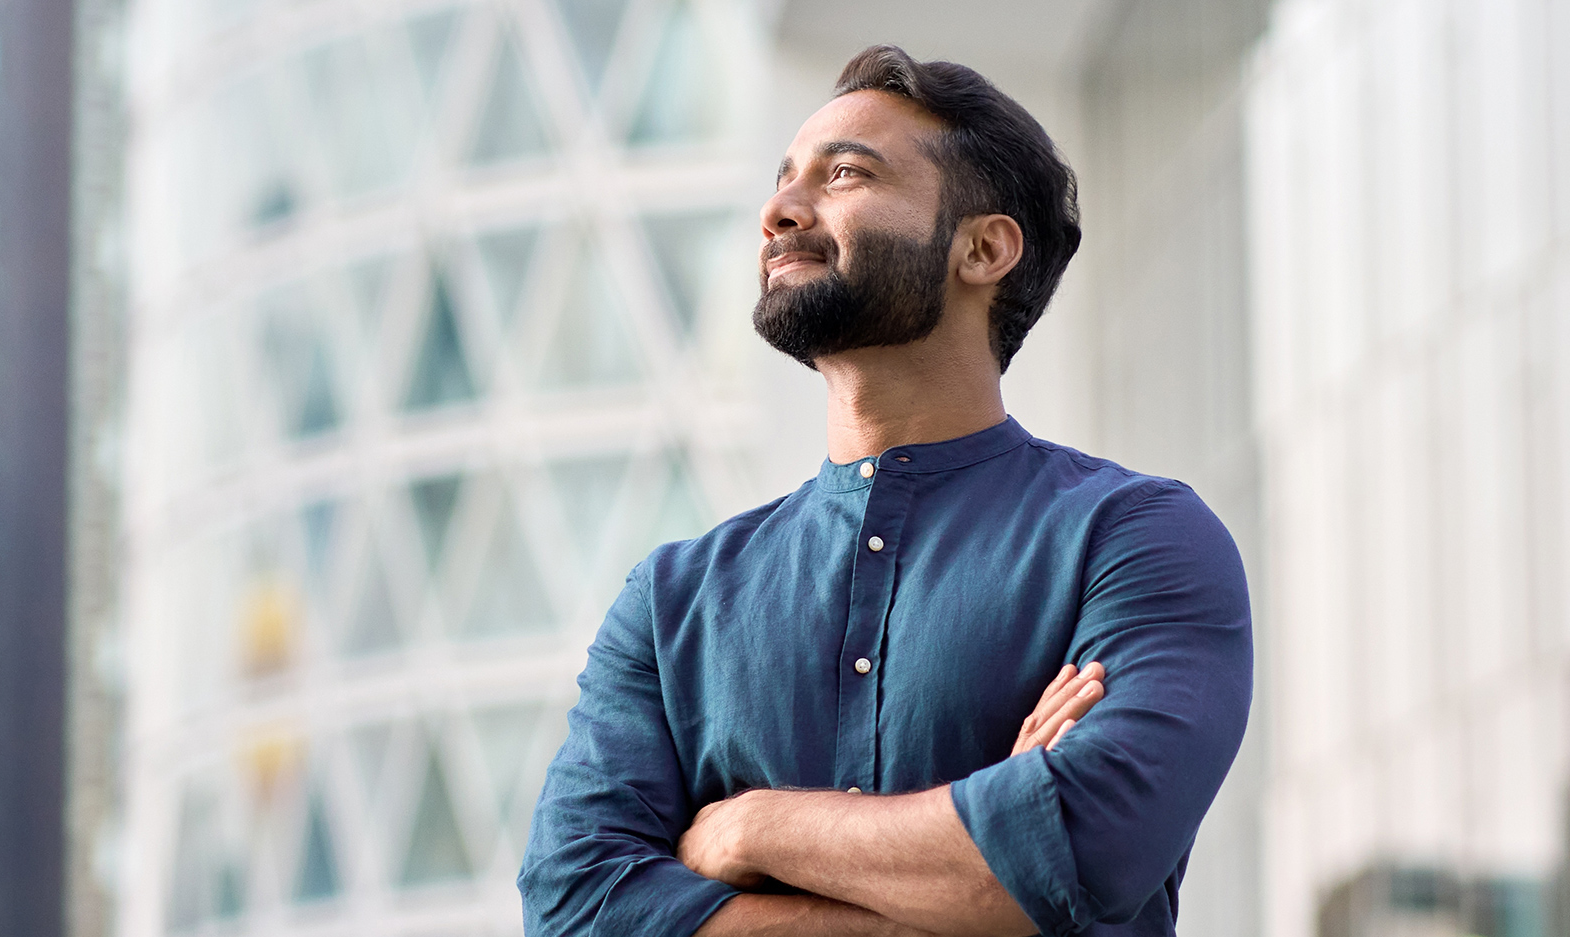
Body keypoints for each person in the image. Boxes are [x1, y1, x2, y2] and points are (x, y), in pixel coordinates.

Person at [516, 44, 1251, 937]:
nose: (780, 210)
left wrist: (750, 827)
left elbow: (1083, 847)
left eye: (845, 174)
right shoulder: (673, 602)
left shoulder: (1135, 538)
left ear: (983, 248)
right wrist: (976, 869)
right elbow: (575, 907)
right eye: (784, 178)